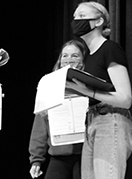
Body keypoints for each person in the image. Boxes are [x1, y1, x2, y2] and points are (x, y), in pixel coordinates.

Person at [67, 1, 132, 179]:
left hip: (110, 119)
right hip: (91, 121)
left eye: (81, 16)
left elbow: (125, 99)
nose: (76, 21)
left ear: (98, 21)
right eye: (75, 17)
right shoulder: (88, 56)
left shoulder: (109, 49)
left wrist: (88, 91)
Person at [29, 39, 88, 179]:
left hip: (85, 155)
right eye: (65, 55)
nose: (69, 60)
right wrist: (36, 159)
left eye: (75, 55)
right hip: (59, 156)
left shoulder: (90, 86)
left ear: (83, 59)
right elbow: (40, 125)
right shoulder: (49, 85)